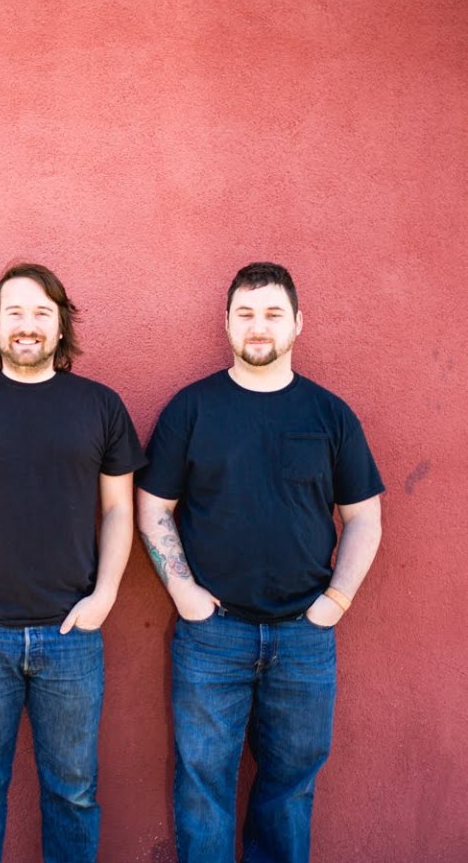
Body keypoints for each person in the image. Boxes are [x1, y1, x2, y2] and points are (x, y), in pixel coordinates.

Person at [137, 261, 384, 863]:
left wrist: (336, 603)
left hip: (305, 634)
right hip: (212, 636)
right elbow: (152, 509)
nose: (258, 326)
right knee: (203, 788)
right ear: (226, 323)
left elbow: (365, 519)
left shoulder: (329, 415)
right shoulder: (191, 409)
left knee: (290, 789)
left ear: (298, 323)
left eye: (273, 313)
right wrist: (185, 595)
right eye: (245, 313)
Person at [0, 261, 145, 863]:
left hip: (72, 637)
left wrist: (104, 599)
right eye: (14, 311)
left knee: (73, 795)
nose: (28, 325)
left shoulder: (100, 406)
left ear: (61, 326)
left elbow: (120, 509)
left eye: (42, 312)